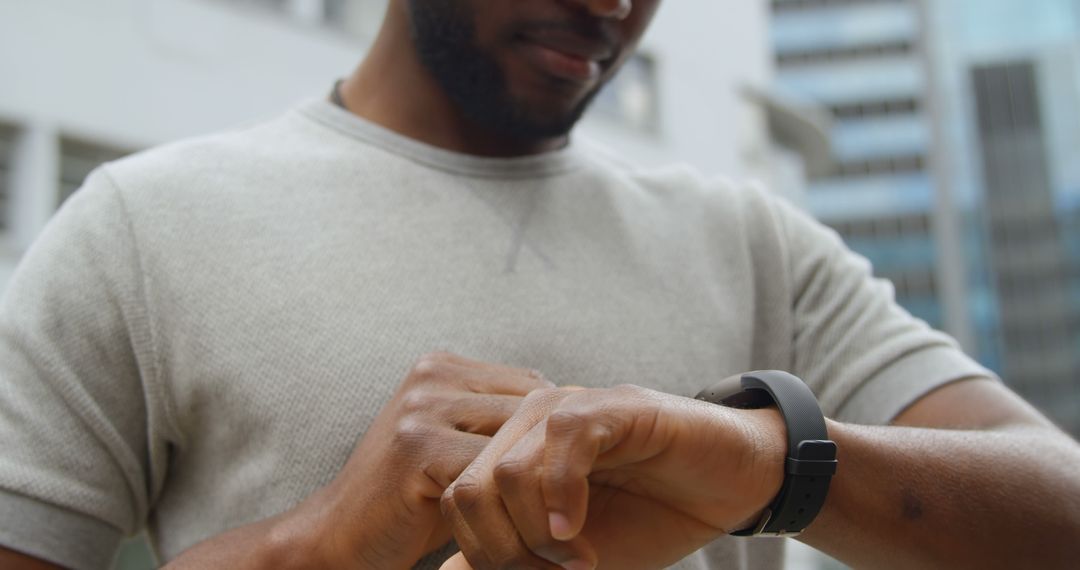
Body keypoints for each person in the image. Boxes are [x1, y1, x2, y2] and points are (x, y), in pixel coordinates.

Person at [1, 0, 1078, 568]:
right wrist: (322, 545)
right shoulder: (142, 228)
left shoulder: (751, 239)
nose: (610, 2)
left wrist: (768, 460)